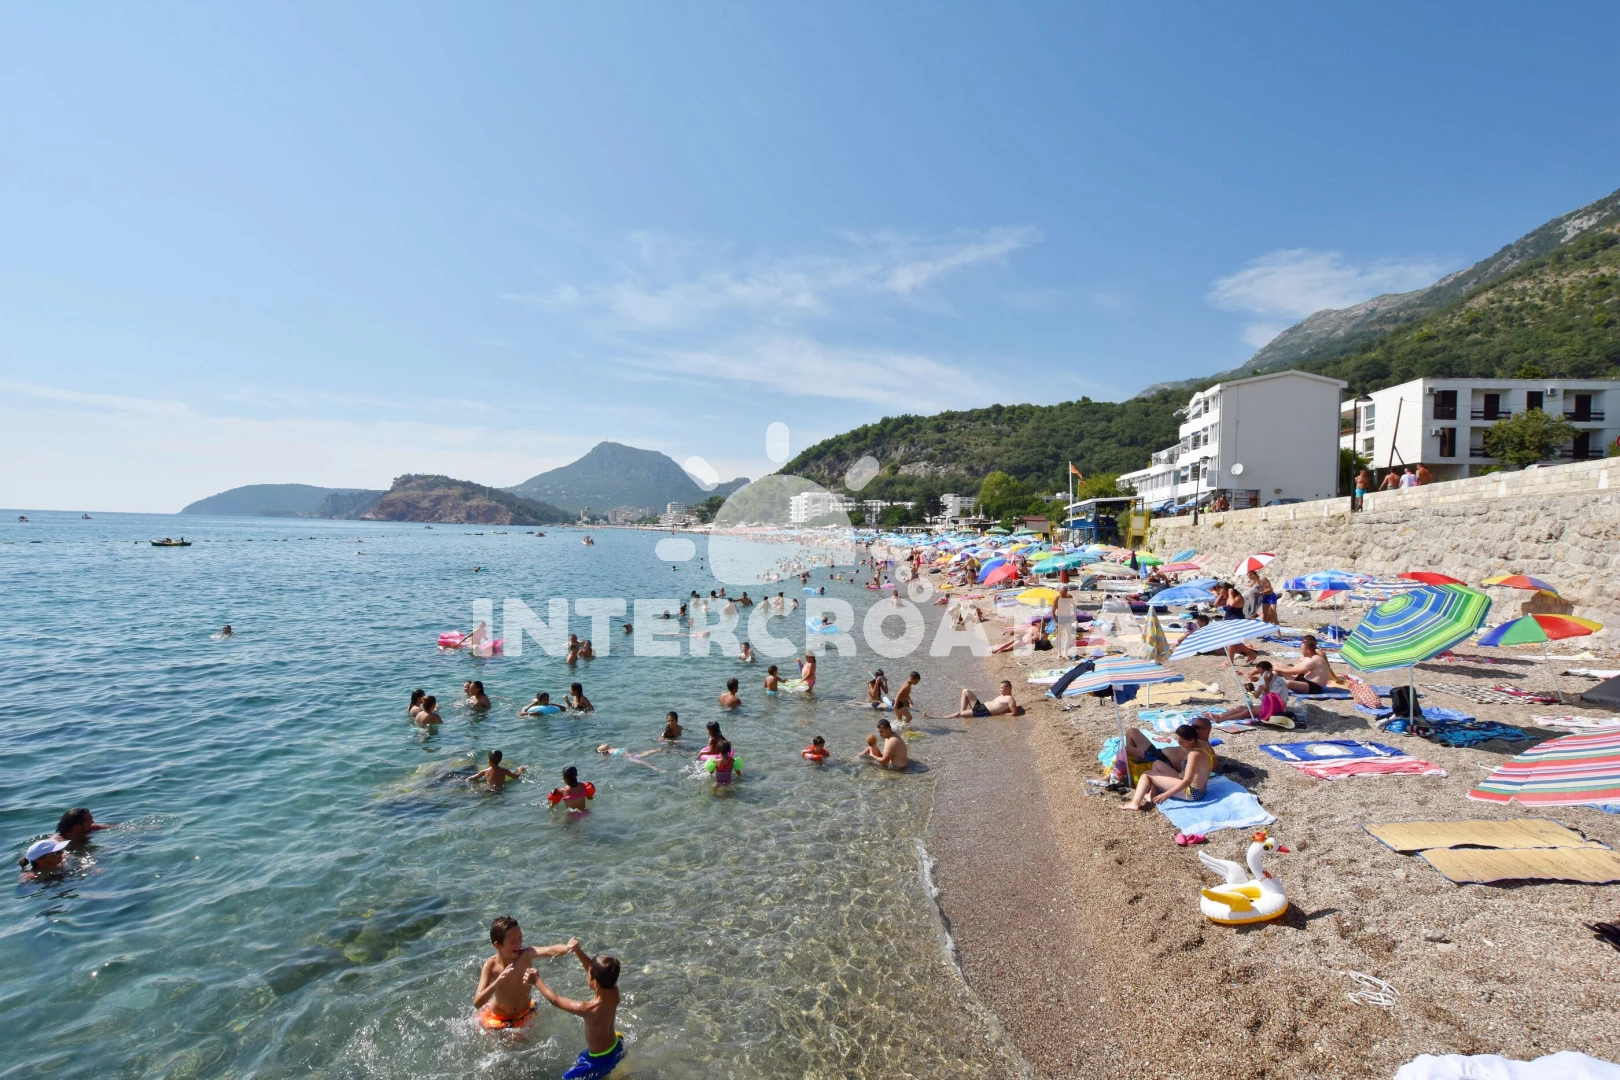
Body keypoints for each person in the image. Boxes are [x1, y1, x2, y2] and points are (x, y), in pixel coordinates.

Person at [532, 938, 623, 1080]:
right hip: (616, 1046)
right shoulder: (614, 992)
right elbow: (598, 972)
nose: (587, 972)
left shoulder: (588, 1009)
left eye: (588, 972)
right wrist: (578, 951)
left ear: (595, 983)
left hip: (598, 1060)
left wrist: (537, 980)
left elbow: (555, 1000)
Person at [474, 915, 573, 1031]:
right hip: (499, 1018)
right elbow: (477, 1003)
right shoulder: (491, 966)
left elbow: (550, 950)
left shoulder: (526, 955)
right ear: (497, 945)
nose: (519, 944)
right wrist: (496, 983)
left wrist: (568, 948)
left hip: (526, 1011)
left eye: (520, 937)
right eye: (513, 941)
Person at [1119, 724, 1214, 810]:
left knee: (1146, 774)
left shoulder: (1194, 754)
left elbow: (1187, 781)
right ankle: (1152, 794)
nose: (1179, 742)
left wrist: (1166, 795)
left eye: (1183, 741)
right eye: (1179, 739)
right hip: (1197, 787)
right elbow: (1202, 767)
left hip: (1192, 792)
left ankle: (1134, 803)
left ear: (1192, 740)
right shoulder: (1203, 744)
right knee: (1157, 763)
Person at [1273, 634, 1338, 694]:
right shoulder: (1309, 657)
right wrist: (1279, 667)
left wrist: (1278, 668)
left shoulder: (1315, 659)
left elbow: (1294, 672)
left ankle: (1271, 688)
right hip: (1304, 680)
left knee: (1288, 683)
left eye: (1302, 649)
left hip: (1313, 686)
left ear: (1308, 651)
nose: (1300, 651)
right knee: (1277, 671)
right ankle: (1269, 684)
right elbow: (1295, 668)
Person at [933, 680, 1021, 718]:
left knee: (957, 715)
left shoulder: (1010, 699)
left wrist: (1003, 715)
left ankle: (937, 718)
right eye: (1000, 687)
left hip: (984, 711)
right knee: (965, 691)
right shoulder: (1002, 696)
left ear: (1008, 688)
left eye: (1002, 688)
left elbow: (1015, 713)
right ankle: (963, 712)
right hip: (980, 706)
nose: (1000, 689)